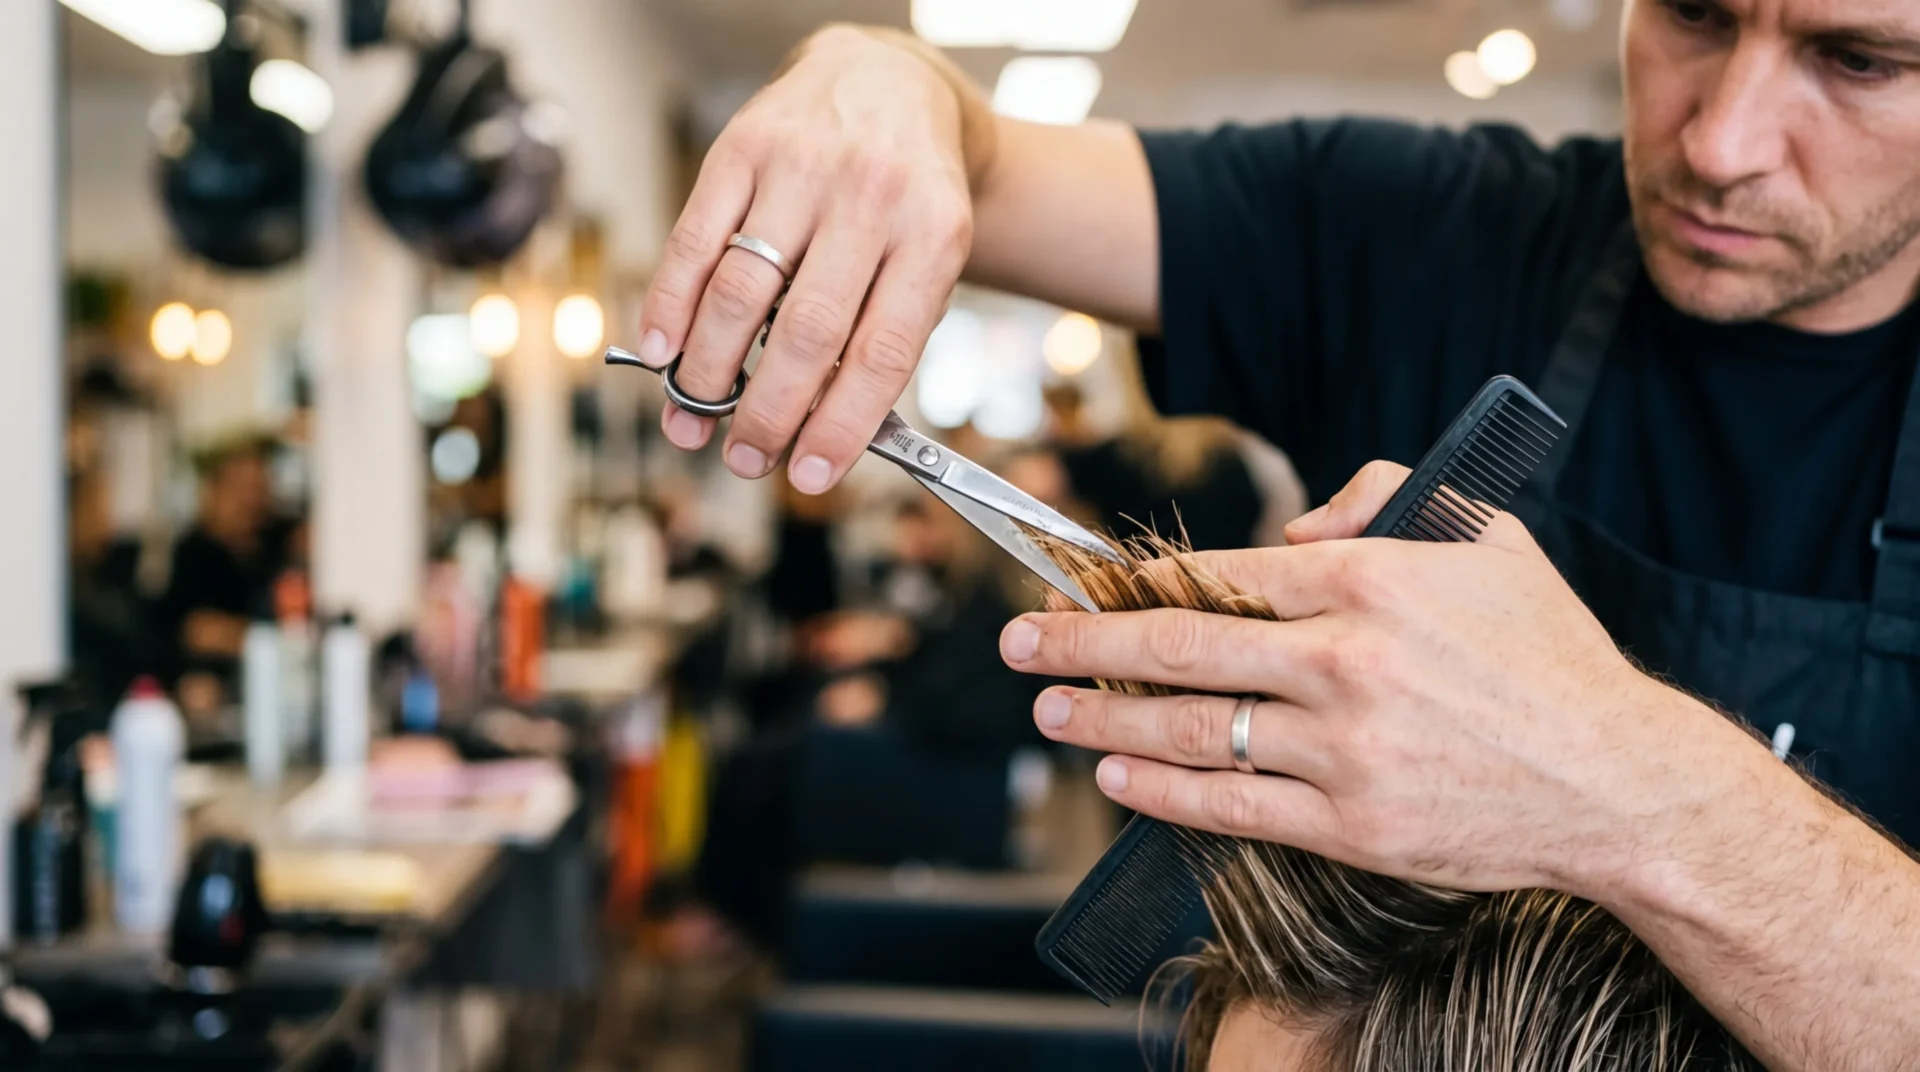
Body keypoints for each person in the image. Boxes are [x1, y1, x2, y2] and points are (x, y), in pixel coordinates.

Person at [628, 3, 1920, 1064]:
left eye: (1859, 59)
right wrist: (882, 78)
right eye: (1693, 13)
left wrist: (1630, 782)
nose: (1724, 140)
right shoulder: (1427, 235)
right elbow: (992, 167)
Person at [157, 436, 287, 702]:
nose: (251, 500)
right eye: (241, 488)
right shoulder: (194, 551)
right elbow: (197, 630)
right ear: (214, 491)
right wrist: (270, 641)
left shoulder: (271, 548)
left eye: (259, 488)